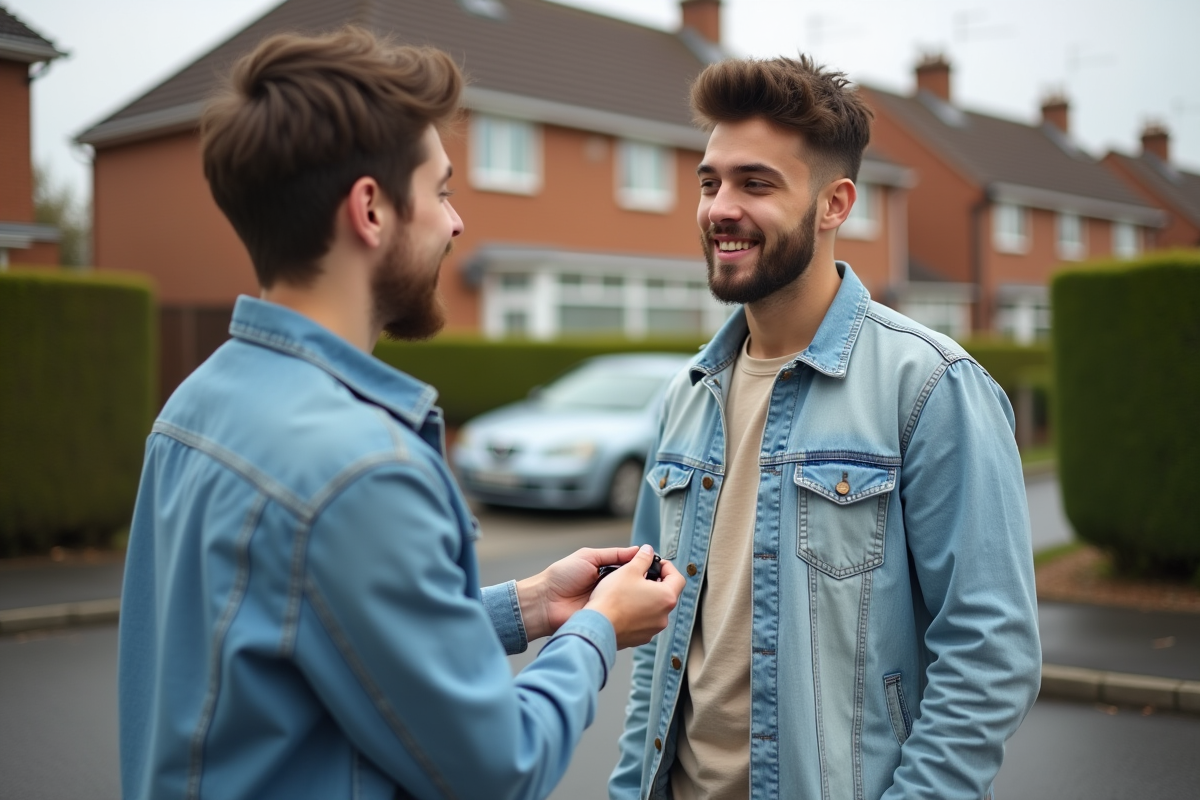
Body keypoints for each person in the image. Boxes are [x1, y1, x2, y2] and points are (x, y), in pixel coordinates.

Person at [117, 28, 685, 800]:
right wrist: (598, 631)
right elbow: (499, 766)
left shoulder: (196, 403)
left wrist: (529, 606)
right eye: (443, 190)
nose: (456, 224)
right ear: (371, 210)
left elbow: (312, 641)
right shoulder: (361, 469)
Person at [609, 56, 1040, 800]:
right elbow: (656, 641)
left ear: (834, 203)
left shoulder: (930, 386)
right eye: (710, 182)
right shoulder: (686, 397)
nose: (718, 208)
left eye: (756, 183)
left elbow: (989, 654)